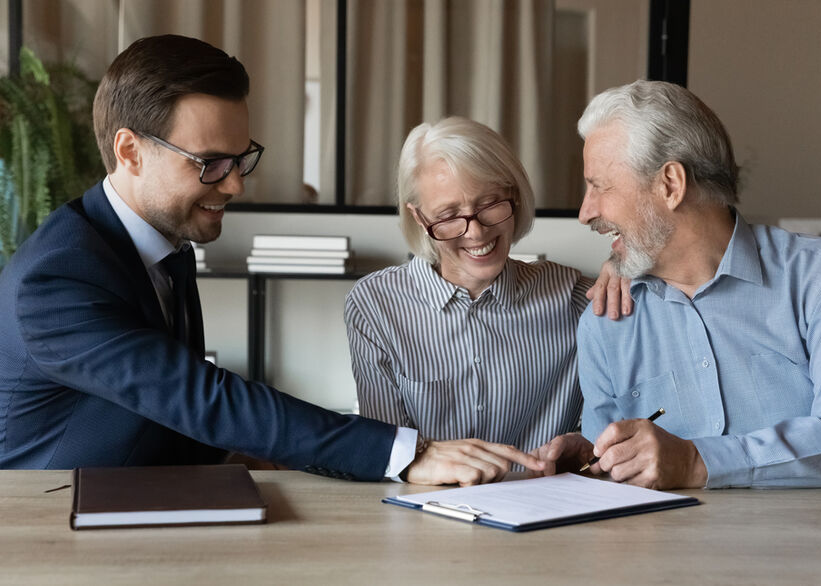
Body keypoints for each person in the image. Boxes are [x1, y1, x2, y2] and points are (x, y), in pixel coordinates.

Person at [0, 35, 544, 486]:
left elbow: (164, 410)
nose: (235, 184)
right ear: (130, 151)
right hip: (52, 526)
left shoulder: (160, 245)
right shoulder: (58, 277)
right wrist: (408, 454)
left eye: (241, 159)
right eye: (211, 163)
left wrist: (233, 458)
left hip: (139, 502)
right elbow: (198, 396)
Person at [534, 80, 821, 489]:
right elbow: (612, 482)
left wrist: (694, 462)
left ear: (671, 184)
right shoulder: (606, 320)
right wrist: (592, 461)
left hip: (810, 548)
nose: (585, 212)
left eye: (599, 186)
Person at [345, 116, 595, 456]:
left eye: (489, 204)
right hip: (422, 505)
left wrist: (625, 269)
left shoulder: (574, 299)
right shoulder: (375, 305)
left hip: (544, 503)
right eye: (448, 216)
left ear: (514, 195)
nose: (476, 233)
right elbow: (389, 455)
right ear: (419, 217)